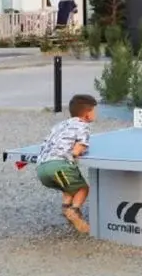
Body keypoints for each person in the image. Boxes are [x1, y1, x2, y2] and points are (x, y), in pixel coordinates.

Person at [34, 94, 98, 234]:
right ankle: (74, 212)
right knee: (82, 189)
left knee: (68, 187)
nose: (95, 114)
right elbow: (77, 149)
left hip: (42, 168)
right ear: (87, 115)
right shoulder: (83, 126)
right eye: (94, 111)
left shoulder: (60, 125)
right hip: (59, 166)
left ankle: (66, 208)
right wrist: (78, 153)